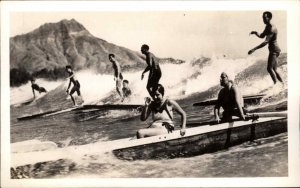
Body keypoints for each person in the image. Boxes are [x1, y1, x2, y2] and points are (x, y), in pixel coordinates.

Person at [248, 11, 283, 85]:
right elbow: (262, 36)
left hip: (274, 50)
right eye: (262, 18)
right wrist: (255, 33)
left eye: (264, 18)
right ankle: (283, 84)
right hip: (275, 50)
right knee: (274, 69)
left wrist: (254, 49)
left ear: (269, 18)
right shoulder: (267, 26)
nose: (263, 20)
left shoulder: (271, 28)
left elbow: (265, 42)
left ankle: (276, 84)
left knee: (269, 68)